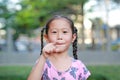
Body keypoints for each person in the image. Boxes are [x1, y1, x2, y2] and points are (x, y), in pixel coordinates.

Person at [27, 15, 91, 80]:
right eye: (54, 32)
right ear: (46, 37)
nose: (59, 37)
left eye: (65, 32)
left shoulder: (79, 66)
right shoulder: (42, 63)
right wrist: (43, 57)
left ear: (73, 37)